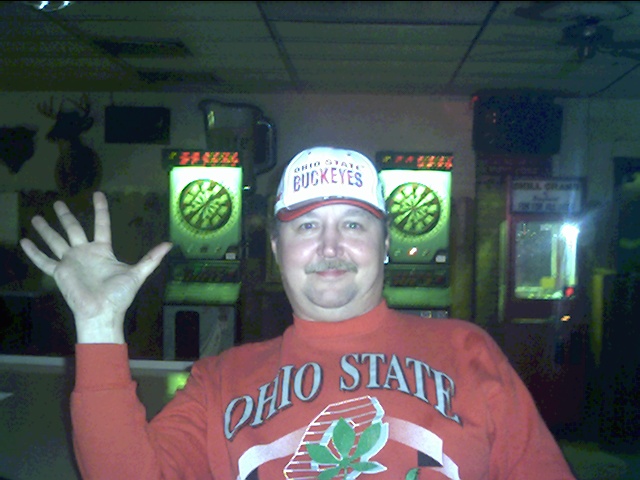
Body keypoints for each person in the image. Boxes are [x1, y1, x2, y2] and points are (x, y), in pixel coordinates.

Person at [20, 146, 577, 479]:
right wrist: (98, 326)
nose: (330, 247)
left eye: (353, 224)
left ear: (385, 244)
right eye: (307, 226)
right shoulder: (219, 380)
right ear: (276, 248)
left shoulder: (467, 351)